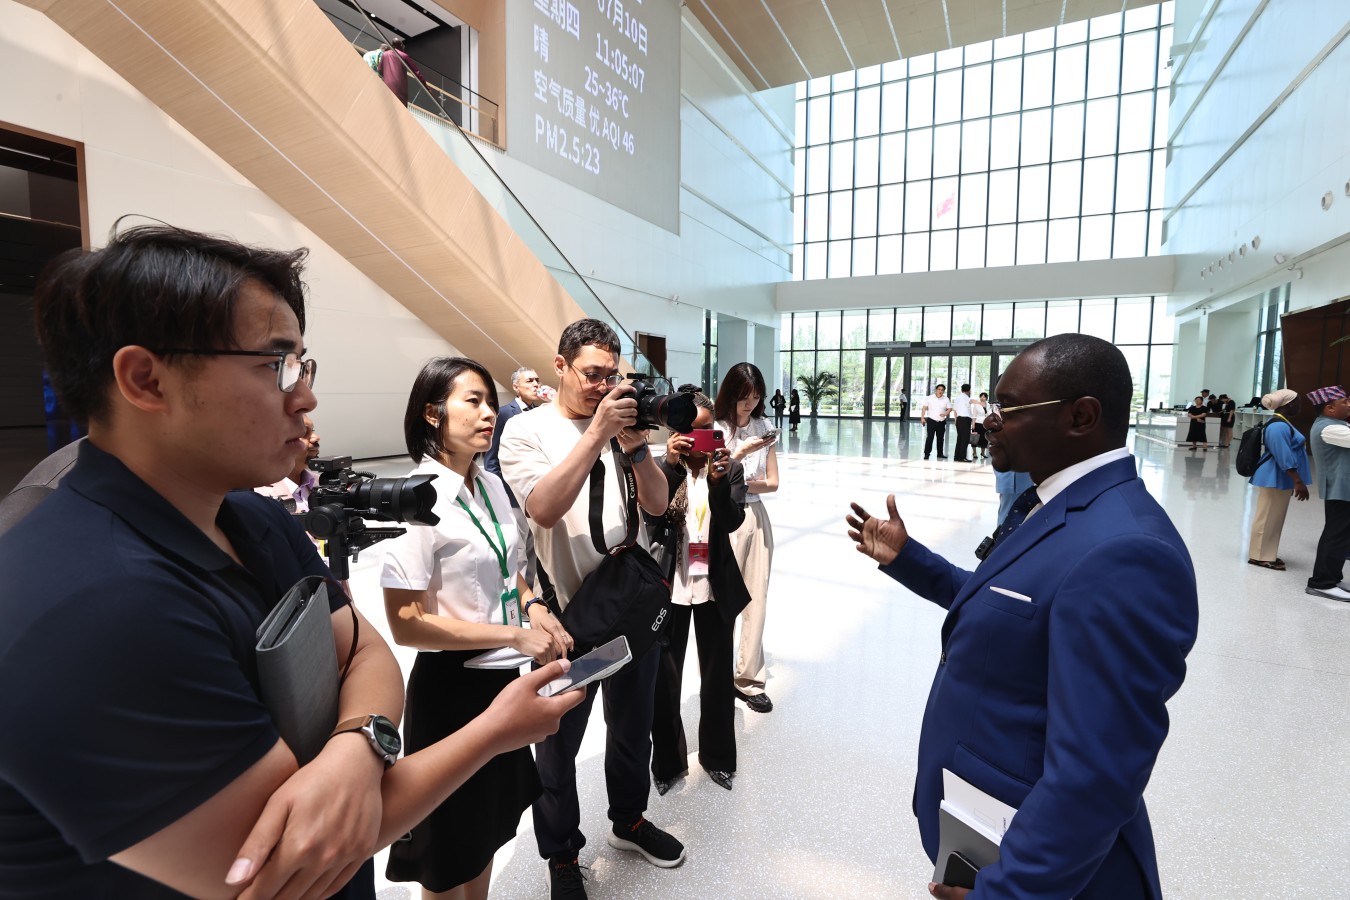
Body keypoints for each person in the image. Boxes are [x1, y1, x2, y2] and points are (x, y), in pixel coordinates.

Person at [0, 224, 579, 898]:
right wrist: (493, 731)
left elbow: (366, 650)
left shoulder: (252, 516)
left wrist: (357, 743)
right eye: (275, 365)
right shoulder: (91, 606)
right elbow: (289, 864)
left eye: (303, 366)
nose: (304, 398)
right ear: (146, 380)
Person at [846, 333, 1198, 900]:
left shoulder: (1127, 552)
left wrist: (1005, 893)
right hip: (983, 826)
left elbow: (1095, 775)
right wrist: (909, 560)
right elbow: (1008, 609)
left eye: (1008, 408)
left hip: (1038, 869)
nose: (990, 420)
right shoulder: (1048, 502)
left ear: (1081, 417)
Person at [499, 319, 684, 899]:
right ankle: (561, 854)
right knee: (557, 745)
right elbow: (544, 508)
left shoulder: (622, 425)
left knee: (631, 729)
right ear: (560, 366)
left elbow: (657, 505)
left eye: (611, 375)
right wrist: (596, 431)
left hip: (628, 608)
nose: (604, 386)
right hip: (569, 621)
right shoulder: (525, 430)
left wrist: (635, 448)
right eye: (592, 374)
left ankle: (628, 821)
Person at [381, 357, 574, 899]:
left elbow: (510, 569)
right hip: (451, 692)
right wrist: (513, 635)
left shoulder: (490, 485)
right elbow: (407, 625)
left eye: (492, 402)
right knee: (447, 855)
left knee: (486, 833)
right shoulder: (417, 498)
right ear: (432, 413)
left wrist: (533, 607)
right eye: (473, 401)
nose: (489, 413)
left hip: (501, 683)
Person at [648, 391, 747, 795]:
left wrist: (719, 483)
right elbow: (651, 518)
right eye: (692, 428)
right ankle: (667, 763)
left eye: (708, 428)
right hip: (671, 585)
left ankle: (718, 758)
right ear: (676, 430)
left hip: (715, 585)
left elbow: (733, 520)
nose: (701, 435)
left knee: (718, 678)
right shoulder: (659, 468)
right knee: (665, 681)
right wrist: (670, 468)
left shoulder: (729, 469)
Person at [715, 362, 780, 714]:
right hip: (719, 517)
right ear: (731, 394)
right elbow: (708, 479)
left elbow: (773, 482)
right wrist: (737, 470)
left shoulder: (764, 428)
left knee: (756, 598)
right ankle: (716, 674)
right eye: (744, 397)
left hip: (754, 516)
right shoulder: (715, 428)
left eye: (756, 397)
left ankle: (749, 679)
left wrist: (740, 482)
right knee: (718, 600)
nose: (750, 403)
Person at [1247, 388, 1310, 571]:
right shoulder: (1278, 426)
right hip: (1274, 476)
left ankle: (1266, 553)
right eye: (1298, 402)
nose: (1300, 406)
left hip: (1280, 477)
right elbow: (1283, 455)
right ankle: (1259, 556)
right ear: (1288, 404)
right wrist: (1297, 480)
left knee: (1274, 517)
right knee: (1267, 516)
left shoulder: (1282, 423)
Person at [1303, 385, 1350, 601]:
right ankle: (1322, 583)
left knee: (1340, 535)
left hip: (1343, 489)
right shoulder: (1329, 428)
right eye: (1344, 402)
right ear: (1329, 408)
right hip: (1341, 489)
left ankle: (1332, 578)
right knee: (1336, 535)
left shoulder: (1337, 424)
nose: (1348, 405)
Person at [486, 365, 546, 506]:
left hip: (540, 492)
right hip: (512, 496)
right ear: (516, 387)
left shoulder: (542, 413)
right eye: (529, 381)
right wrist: (502, 494)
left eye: (537, 380)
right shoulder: (503, 414)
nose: (536, 384)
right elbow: (492, 460)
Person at [255, 413, 322, 512]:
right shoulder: (257, 494)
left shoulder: (321, 482)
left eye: (313, 431)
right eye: (304, 433)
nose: (316, 437)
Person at [380, 37, 428, 106]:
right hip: (400, 88)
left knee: (387, 105)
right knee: (401, 107)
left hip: (386, 85)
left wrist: (386, 77)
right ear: (401, 45)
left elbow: (380, 69)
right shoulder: (404, 55)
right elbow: (417, 73)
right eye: (403, 45)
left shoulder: (385, 54)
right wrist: (426, 87)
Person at [920, 384, 952, 460]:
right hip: (931, 421)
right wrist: (922, 418)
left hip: (941, 422)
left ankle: (940, 454)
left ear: (944, 391)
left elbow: (950, 408)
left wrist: (945, 413)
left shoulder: (946, 399)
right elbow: (924, 408)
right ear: (936, 390)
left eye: (942, 390)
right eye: (939, 389)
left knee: (940, 438)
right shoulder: (930, 398)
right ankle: (927, 454)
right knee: (930, 438)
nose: (940, 391)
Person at [952, 383, 974, 462]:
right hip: (965, 420)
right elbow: (971, 401)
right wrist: (979, 403)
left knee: (960, 438)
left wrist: (955, 420)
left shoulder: (957, 398)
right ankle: (962, 457)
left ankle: (957, 456)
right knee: (965, 439)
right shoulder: (966, 397)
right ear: (969, 390)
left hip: (959, 419)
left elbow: (954, 410)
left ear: (961, 389)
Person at [970, 392, 989, 460]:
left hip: (985, 424)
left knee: (984, 439)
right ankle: (974, 453)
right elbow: (974, 416)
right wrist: (973, 425)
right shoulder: (976, 405)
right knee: (975, 439)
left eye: (984, 397)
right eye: (981, 396)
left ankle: (983, 453)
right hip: (977, 423)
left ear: (986, 398)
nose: (982, 398)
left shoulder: (988, 405)